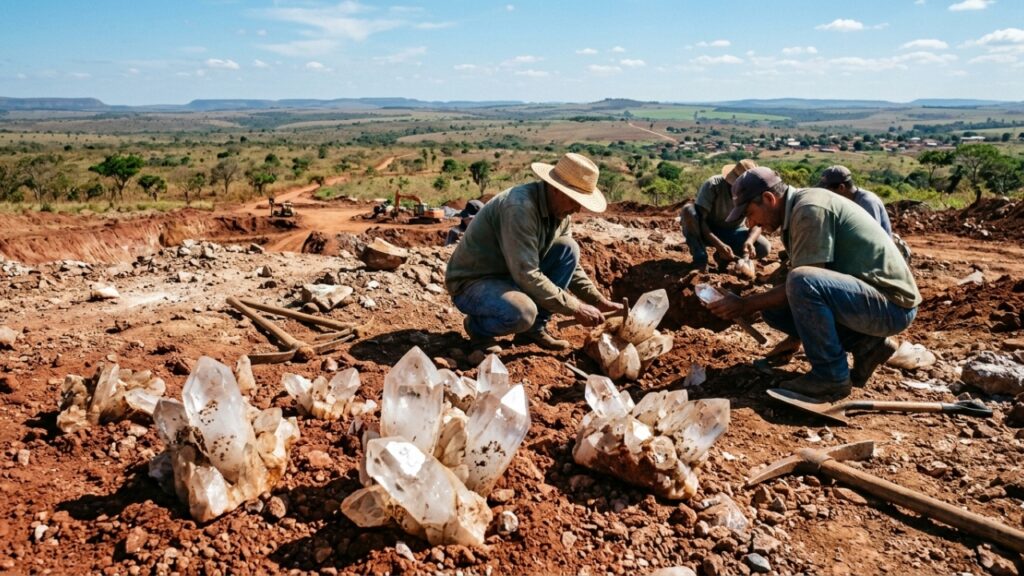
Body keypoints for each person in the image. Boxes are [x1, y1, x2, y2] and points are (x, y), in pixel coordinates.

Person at [707, 167, 921, 398]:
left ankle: (831, 377)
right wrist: (760, 309)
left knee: (799, 281)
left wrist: (745, 305)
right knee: (774, 310)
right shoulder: (797, 209)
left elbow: (806, 282)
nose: (750, 224)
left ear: (769, 199)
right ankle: (867, 346)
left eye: (749, 213)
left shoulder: (809, 209)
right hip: (870, 300)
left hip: (892, 306)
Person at [445, 153, 623, 352]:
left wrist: (598, 301)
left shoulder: (561, 213)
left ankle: (534, 330)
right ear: (556, 189)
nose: (577, 209)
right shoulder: (519, 208)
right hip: (474, 282)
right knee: (523, 313)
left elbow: (570, 266)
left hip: (510, 276)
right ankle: (478, 329)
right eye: (575, 200)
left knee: (568, 248)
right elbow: (526, 273)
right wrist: (576, 307)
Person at [681, 159, 771, 270]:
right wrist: (719, 245)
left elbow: (758, 223)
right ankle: (700, 260)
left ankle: (723, 258)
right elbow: (701, 220)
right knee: (688, 210)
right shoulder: (713, 185)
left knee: (763, 247)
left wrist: (750, 241)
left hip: (734, 232)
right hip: (706, 231)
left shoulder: (754, 193)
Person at [819, 165, 912, 263]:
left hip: (877, 258)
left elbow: (872, 241)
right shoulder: (845, 201)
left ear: (841, 188)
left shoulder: (867, 203)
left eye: (827, 191)